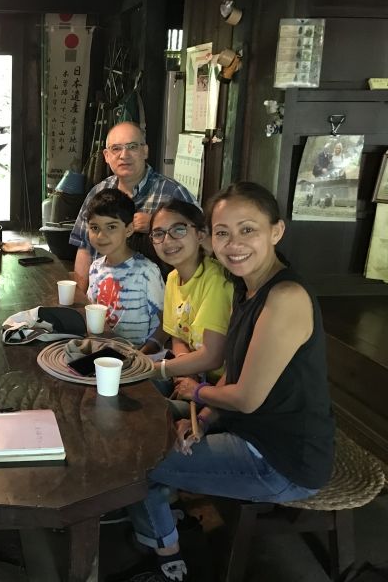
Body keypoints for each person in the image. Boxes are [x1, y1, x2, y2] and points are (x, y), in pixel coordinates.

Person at [121, 182, 335, 582]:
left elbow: (247, 397)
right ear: (211, 238)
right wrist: (201, 416)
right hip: (250, 434)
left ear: (277, 231)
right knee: (155, 434)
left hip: (281, 460)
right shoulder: (247, 287)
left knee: (137, 463)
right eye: (223, 232)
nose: (234, 243)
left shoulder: (285, 297)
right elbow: (236, 376)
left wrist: (197, 392)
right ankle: (164, 519)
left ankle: (166, 555)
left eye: (248, 230)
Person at [69, 122, 198, 290]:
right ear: (106, 156)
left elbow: (201, 241)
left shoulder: (173, 192)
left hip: (156, 297)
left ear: (145, 151)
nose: (124, 155)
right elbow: (84, 247)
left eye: (132, 146)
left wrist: (156, 225)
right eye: (116, 149)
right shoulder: (98, 192)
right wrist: (80, 298)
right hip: (102, 293)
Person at [145, 200, 233, 413]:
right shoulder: (173, 278)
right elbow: (178, 337)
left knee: (153, 409)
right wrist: (185, 369)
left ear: (200, 235)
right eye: (159, 233)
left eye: (179, 229)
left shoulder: (215, 279)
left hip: (222, 390)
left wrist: (156, 369)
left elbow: (213, 357)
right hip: (193, 378)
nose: (167, 240)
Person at [85, 188, 164, 348]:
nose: (101, 236)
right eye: (94, 228)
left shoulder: (147, 271)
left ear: (129, 229)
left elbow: (166, 322)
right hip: (103, 352)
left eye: (111, 227)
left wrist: (145, 353)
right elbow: (92, 309)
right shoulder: (95, 268)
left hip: (138, 357)